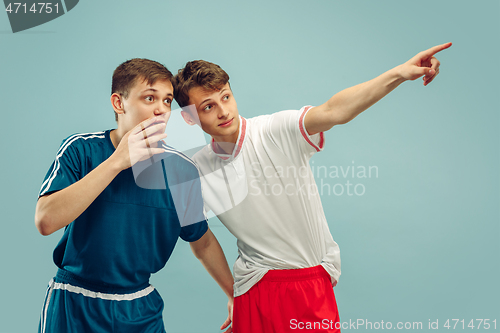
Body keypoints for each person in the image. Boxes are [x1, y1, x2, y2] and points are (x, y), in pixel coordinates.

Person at [173, 42, 452, 332]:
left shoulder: (274, 129)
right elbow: (201, 241)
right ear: (189, 118)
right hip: (253, 287)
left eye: (226, 97)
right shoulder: (195, 170)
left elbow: (334, 111)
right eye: (208, 106)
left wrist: (398, 73)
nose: (223, 111)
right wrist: (233, 294)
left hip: (308, 282)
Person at [35, 58, 234, 333]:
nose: (160, 110)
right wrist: (117, 161)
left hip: (139, 309)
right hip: (74, 304)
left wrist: (234, 294)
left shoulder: (181, 171)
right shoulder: (80, 150)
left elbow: (203, 242)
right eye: (149, 98)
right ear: (119, 103)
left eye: (166, 101)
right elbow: (46, 220)